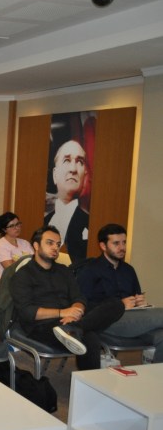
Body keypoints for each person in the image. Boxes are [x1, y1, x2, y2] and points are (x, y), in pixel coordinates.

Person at [10, 226, 124, 370]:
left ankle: (74, 328)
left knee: (116, 304)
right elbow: (27, 312)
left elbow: (79, 297)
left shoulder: (64, 270)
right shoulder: (23, 275)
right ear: (36, 246)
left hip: (70, 320)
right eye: (50, 243)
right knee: (90, 338)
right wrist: (62, 313)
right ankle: (75, 331)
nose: (55, 248)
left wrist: (76, 310)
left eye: (58, 244)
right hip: (41, 326)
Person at [77, 223, 163, 363]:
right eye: (116, 243)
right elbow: (83, 306)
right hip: (108, 321)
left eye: (124, 242)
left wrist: (141, 302)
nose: (122, 247)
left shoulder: (129, 270)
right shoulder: (89, 271)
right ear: (103, 246)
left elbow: (136, 296)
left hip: (133, 319)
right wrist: (120, 304)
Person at [44, 140, 90, 263]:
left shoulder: (88, 223)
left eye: (80, 162)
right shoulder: (45, 221)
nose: (73, 169)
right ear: (55, 175)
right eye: (67, 160)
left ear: (85, 178)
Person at [0, 212, 33, 280]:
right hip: (9, 281)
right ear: (4, 229)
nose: (17, 228)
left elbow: (35, 262)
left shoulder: (25, 243)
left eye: (17, 224)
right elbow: (11, 269)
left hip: (27, 279)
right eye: (12, 226)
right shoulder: (0, 245)